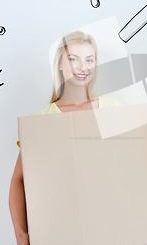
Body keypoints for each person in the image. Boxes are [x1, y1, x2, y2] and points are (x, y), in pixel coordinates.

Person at [9, 30, 122, 245]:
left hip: (110, 229)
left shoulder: (114, 109)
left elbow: (132, 171)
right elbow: (19, 180)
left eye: (89, 59)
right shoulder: (42, 118)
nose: (83, 67)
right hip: (60, 231)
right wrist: (22, 235)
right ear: (59, 65)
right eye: (73, 59)